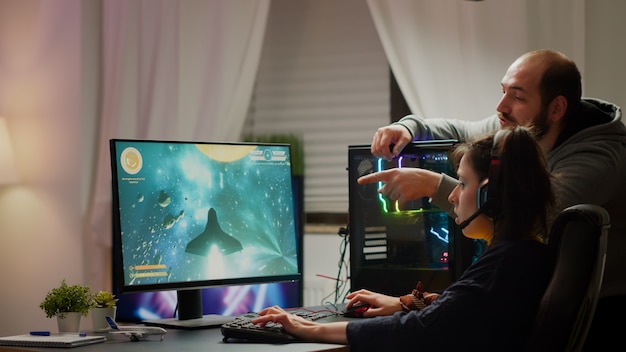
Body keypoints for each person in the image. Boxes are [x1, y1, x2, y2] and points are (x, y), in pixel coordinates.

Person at [361, 49, 626, 349]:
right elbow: (459, 130)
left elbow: (523, 213)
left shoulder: (597, 159)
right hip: (533, 303)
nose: (501, 106)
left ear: (556, 108)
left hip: (592, 319)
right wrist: (406, 127)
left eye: (518, 96)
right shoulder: (524, 128)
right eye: (503, 92)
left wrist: (432, 185)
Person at [253, 126, 556, 351]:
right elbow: (466, 309)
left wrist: (309, 329)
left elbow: (422, 329)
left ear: (491, 197)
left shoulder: (503, 264)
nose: (451, 195)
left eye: (462, 184)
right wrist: (404, 302)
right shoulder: (526, 254)